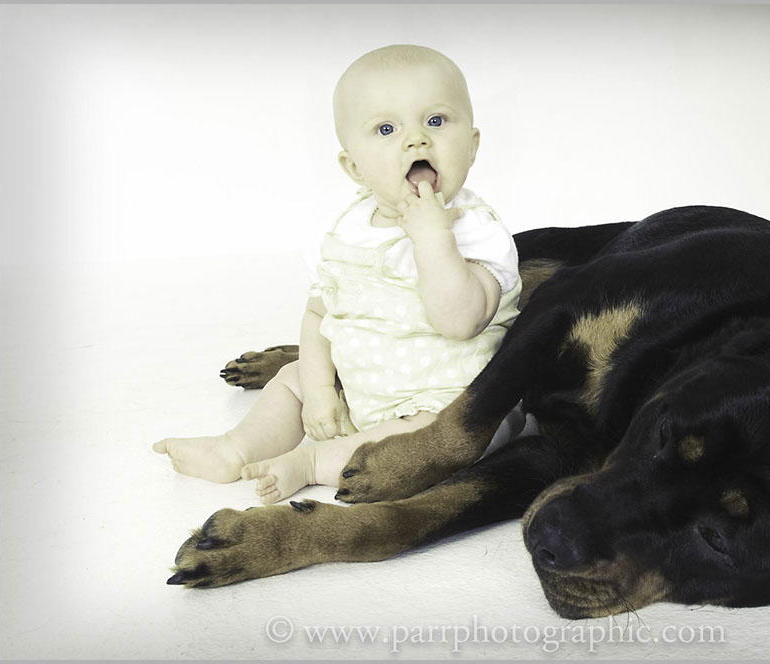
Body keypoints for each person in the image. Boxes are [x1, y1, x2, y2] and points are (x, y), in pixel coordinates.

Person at [153, 44, 522, 504]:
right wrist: (320, 389)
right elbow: (319, 313)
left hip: (449, 406)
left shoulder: (477, 231)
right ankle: (235, 448)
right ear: (354, 167)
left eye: (436, 121)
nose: (416, 141)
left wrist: (432, 239)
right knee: (293, 377)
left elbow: (460, 320)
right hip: (365, 388)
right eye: (386, 129)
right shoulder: (348, 229)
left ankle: (311, 463)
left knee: (443, 434)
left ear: (472, 145)